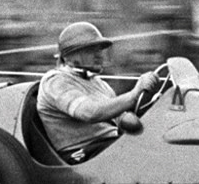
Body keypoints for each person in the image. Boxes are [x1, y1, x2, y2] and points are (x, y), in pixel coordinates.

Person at [37, 22, 161, 162]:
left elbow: (122, 119)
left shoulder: (98, 83)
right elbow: (90, 113)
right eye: (91, 50)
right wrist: (134, 94)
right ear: (69, 55)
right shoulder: (56, 81)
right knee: (145, 157)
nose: (99, 55)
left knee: (160, 148)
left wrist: (154, 110)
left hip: (108, 145)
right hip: (82, 152)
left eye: (100, 50)